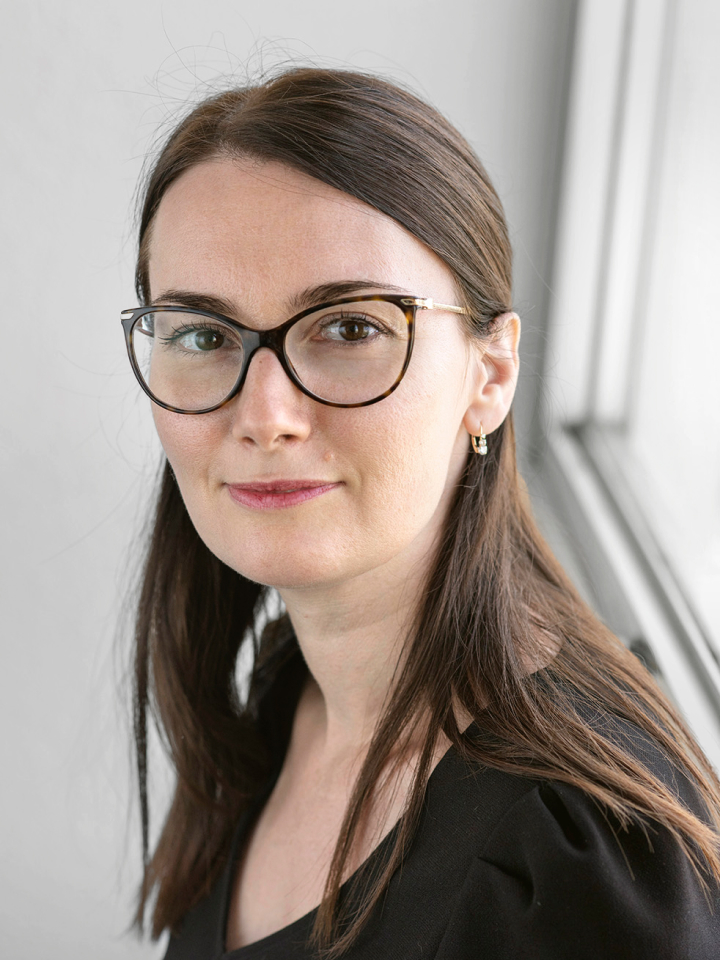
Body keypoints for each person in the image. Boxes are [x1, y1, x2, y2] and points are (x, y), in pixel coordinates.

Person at [123, 67, 720, 959]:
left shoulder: (577, 861)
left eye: (351, 328)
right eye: (205, 336)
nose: (265, 416)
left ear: (491, 375)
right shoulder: (280, 698)